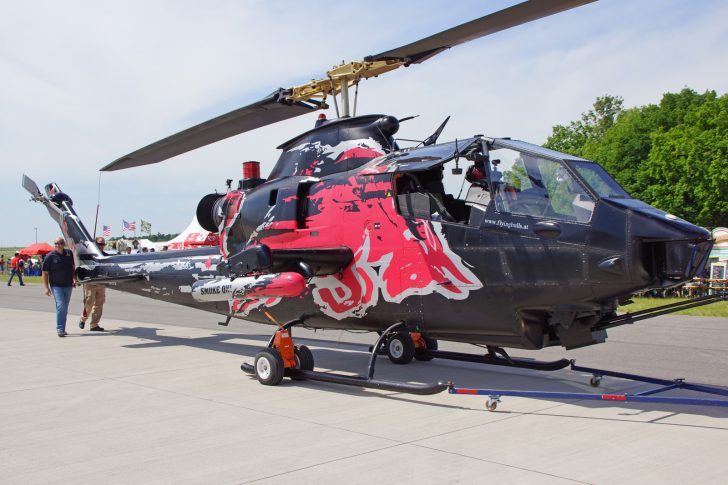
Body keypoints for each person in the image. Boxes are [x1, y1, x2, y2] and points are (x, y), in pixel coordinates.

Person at [42, 238, 78, 337]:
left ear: (64, 244)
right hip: (56, 285)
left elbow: (72, 267)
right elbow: (45, 273)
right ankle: (60, 329)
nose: (59, 245)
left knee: (65, 307)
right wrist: (46, 288)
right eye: (56, 243)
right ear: (54, 244)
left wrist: (74, 278)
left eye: (61, 243)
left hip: (68, 285)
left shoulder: (69, 254)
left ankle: (63, 328)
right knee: (61, 305)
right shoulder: (50, 257)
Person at [79, 237, 107, 332]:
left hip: (101, 283)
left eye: (103, 244)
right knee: (89, 302)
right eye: (99, 244)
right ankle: (83, 319)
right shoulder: (88, 255)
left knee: (99, 304)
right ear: (95, 244)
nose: (101, 246)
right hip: (91, 282)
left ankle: (94, 324)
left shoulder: (106, 256)